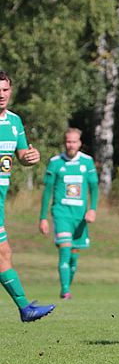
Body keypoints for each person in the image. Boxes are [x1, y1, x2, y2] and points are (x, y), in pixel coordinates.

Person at [0, 71, 55, 322]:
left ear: (11, 91)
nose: (1, 95)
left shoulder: (14, 121)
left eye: (5, 90)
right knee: (3, 253)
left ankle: (25, 308)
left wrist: (31, 157)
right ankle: (24, 308)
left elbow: (22, 155)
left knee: (4, 254)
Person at [38, 128, 99, 299]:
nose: (70, 145)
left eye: (74, 141)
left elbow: (94, 188)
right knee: (64, 250)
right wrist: (43, 218)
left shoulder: (87, 162)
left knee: (73, 259)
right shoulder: (55, 163)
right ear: (64, 143)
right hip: (61, 214)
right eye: (68, 141)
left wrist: (92, 209)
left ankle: (66, 287)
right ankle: (65, 290)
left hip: (79, 217)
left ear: (80, 143)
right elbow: (47, 192)